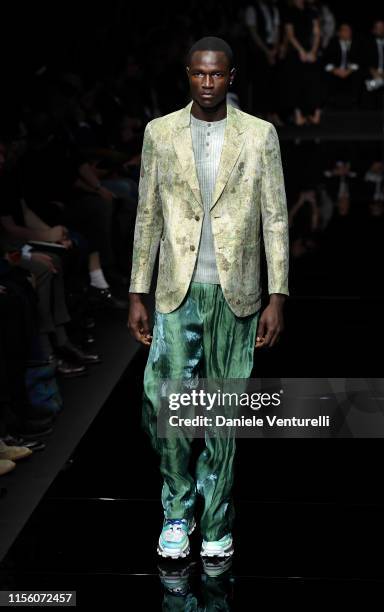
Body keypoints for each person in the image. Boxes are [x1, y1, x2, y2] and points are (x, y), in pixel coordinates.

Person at [127, 36, 289, 559]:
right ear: (188, 74)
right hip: (176, 289)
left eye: (216, 75)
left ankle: (215, 518)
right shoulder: (160, 132)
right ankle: (178, 505)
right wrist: (136, 290)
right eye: (198, 74)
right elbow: (147, 215)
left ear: (231, 76)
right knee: (163, 402)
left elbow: (276, 218)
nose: (207, 83)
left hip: (237, 291)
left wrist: (278, 294)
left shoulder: (260, 135)